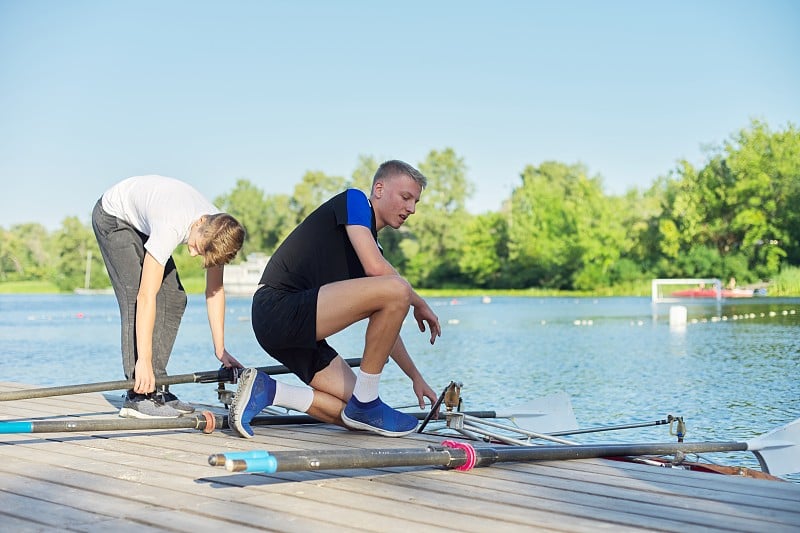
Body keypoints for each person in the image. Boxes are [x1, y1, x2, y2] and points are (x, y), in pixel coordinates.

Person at [229, 160, 441, 438]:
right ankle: (367, 402)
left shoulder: (367, 248)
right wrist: (420, 302)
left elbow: (387, 328)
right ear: (379, 188)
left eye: (416, 202)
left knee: (354, 415)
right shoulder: (355, 201)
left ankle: (267, 390)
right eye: (406, 197)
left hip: (295, 330)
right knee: (396, 288)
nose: (411, 208)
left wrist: (415, 376)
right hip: (278, 308)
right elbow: (385, 276)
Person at [92, 175, 246, 418]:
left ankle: (157, 388)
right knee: (135, 297)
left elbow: (214, 291)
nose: (194, 254)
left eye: (201, 252)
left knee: (174, 298)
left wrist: (221, 349)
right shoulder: (171, 224)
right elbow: (145, 297)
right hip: (113, 218)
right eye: (197, 246)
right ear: (201, 221)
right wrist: (143, 360)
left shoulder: (219, 231)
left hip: (143, 221)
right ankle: (138, 394)